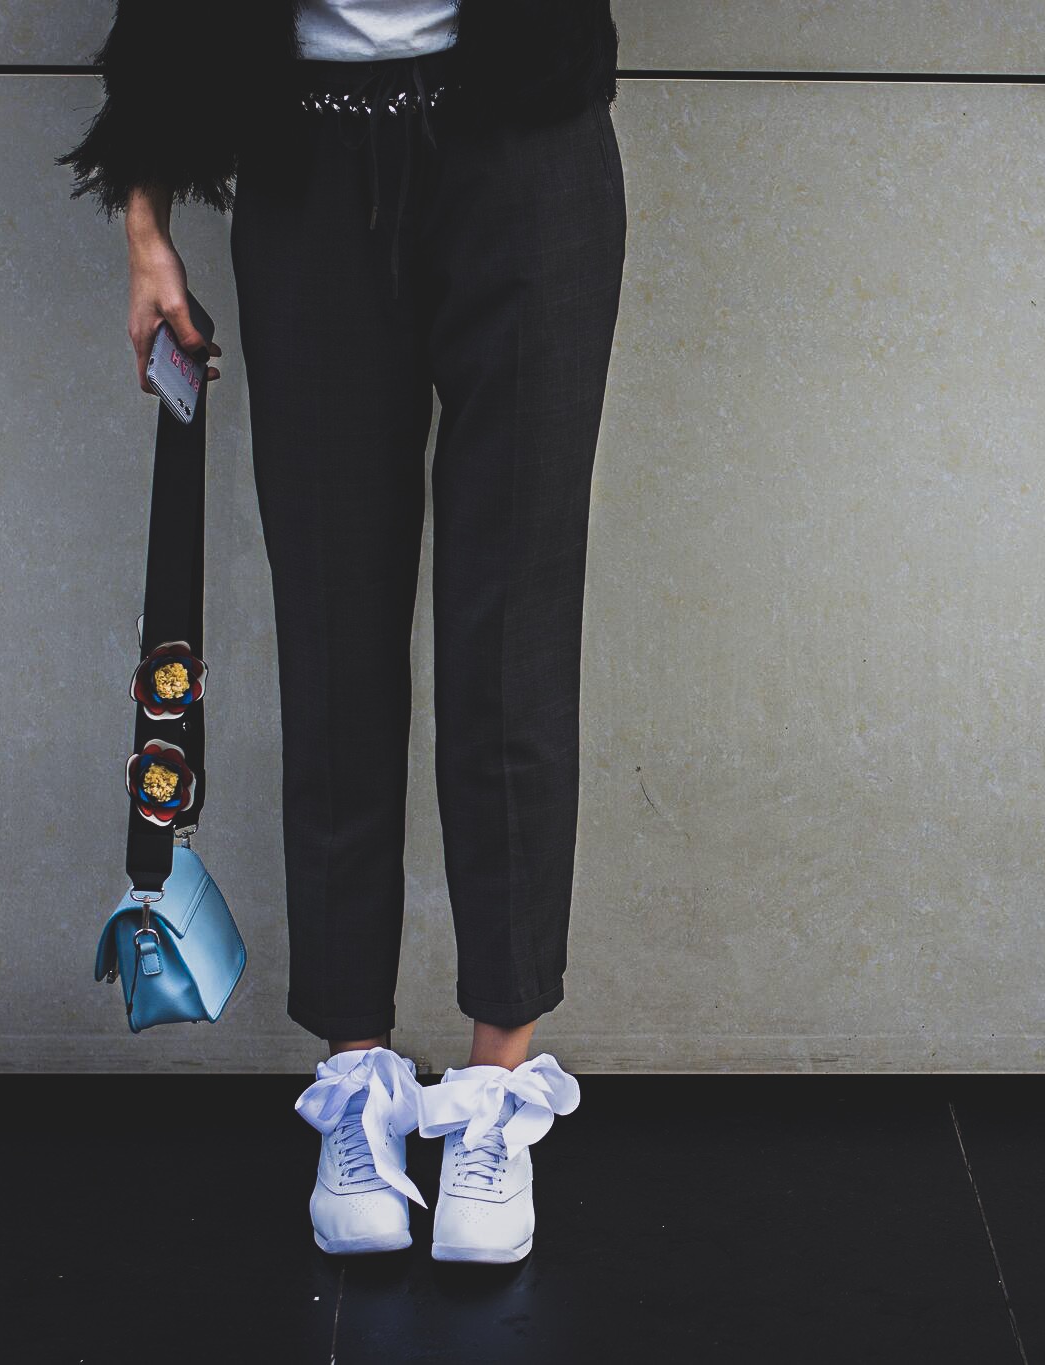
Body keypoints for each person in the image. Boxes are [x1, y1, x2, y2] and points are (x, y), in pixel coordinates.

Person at [62, 0, 625, 1263]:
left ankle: (491, 1096)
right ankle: (357, 1086)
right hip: (306, 161)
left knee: (513, 637)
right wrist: (146, 229)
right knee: (332, 633)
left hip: (524, 149)